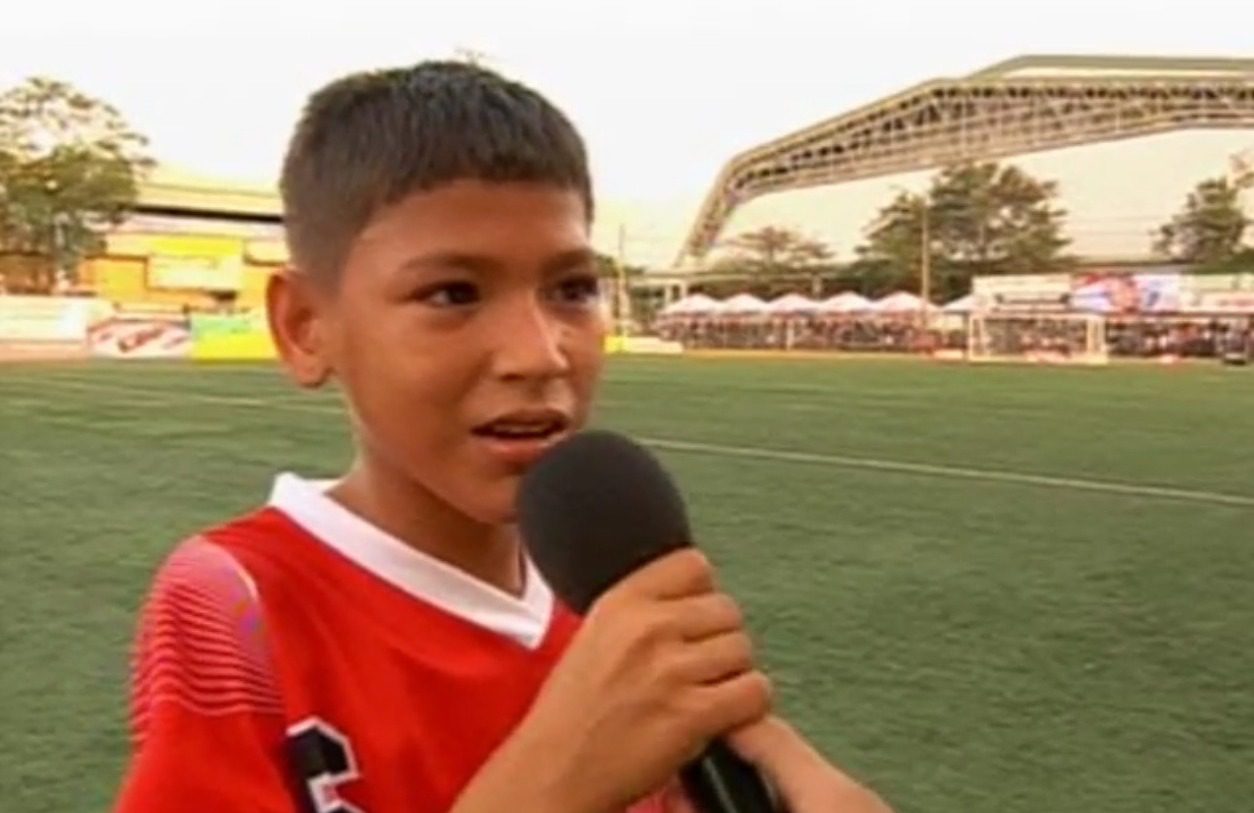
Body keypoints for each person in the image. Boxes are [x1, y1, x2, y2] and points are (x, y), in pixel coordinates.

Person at [113, 61, 892, 813]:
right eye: (452, 293)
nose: (540, 352)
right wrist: (554, 779)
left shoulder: (610, 585)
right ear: (305, 325)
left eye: (573, 289)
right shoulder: (239, 601)